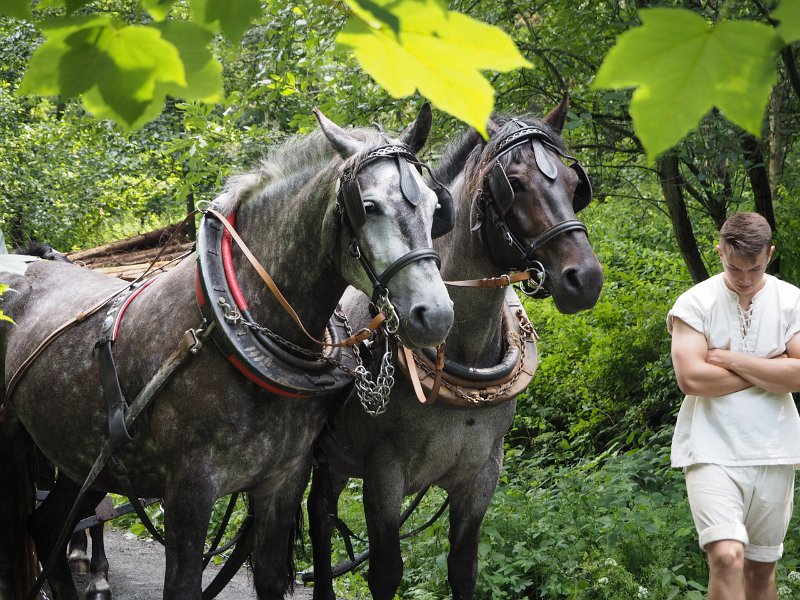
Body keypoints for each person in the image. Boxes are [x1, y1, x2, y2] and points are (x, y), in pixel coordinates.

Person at [668, 212, 800, 600]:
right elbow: (691, 378)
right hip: (711, 450)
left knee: (761, 573)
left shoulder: (792, 300)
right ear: (719, 251)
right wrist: (773, 367)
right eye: (734, 267)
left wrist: (729, 360)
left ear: (770, 255)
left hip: (775, 450)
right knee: (726, 556)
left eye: (755, 269)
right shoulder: (695, 303)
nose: (744, 278)